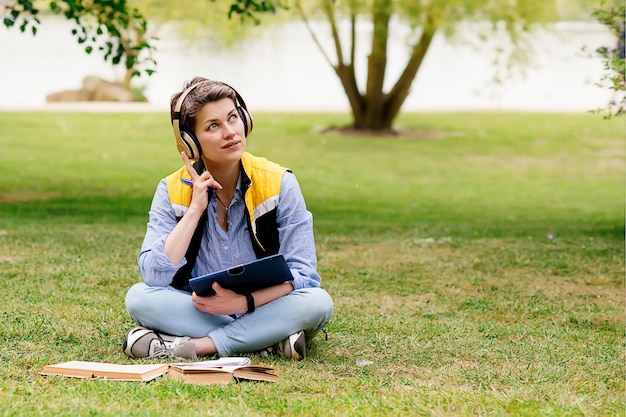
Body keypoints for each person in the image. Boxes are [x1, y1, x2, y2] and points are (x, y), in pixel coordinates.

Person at [122, 77, 334, 361]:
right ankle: (265, 340)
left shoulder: (279, 183)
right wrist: (194, 210)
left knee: (318, 303)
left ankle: (198, 346)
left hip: (265, 305)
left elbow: (304, 274)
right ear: (190, 142)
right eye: (213, 126)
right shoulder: (172, 189)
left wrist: (244, 302)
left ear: (245, 119)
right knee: (139, 298)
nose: (230, 132)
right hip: (200, 309)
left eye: (233, 118)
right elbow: (155, 276)